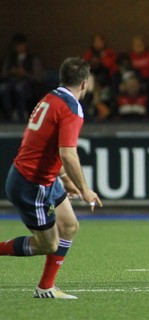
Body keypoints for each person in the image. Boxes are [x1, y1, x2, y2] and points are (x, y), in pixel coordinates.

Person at [0, 57, 102, 299]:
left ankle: (45, 287)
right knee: (48, 244)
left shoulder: (50, 98)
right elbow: (67, 153)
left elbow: (48, 147)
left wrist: (65, 178)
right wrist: (84, 189)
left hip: (43, 179)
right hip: (32, 184)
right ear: (85, 84)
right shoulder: (71, 108)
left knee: (69, 226)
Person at [0, 33, 44, 122]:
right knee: (3, 88)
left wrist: (24, 73)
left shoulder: (33, 58)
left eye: (20, 45)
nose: (18, 47)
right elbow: (3, 74)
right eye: (16, 45)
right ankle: (9, 114)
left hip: (28, 83)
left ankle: (21, 114)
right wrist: (10, 72)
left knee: (20, 88)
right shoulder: (10, 58)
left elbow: (38, 77)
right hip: (11, 81)